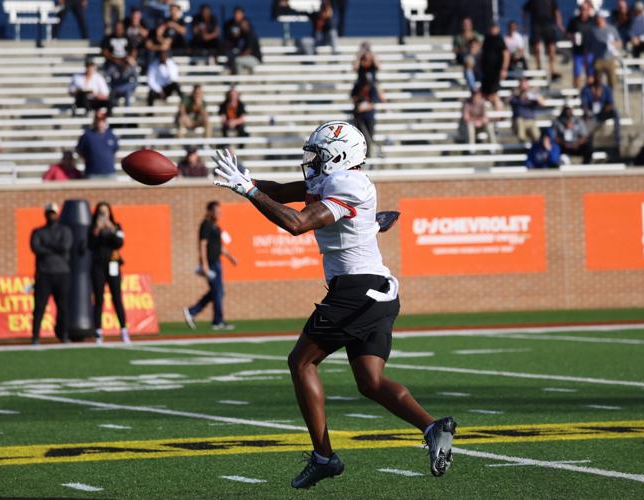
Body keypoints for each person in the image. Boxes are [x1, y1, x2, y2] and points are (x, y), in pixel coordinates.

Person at [211, 122, 457, 489]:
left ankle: (324, 456)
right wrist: (247, 179)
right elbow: (282, 191)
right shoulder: (336, 181)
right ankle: (433, 426)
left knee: (301, 361)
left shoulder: (348, 185)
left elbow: (296, 223)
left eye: (319, 155)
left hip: (356, 293)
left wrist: (247, 191)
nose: (311, 162)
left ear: (341, 156)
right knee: (370, 382)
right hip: (377, 293)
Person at [182, 201, 238, 331]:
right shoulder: (206, 225)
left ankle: (193, 311)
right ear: (210, 211)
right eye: (217, 211)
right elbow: (202, 245)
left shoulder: (215, 227)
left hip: (217, 262)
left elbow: (220, 247)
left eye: (220, 211)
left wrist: (231, 257)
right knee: (217, 291)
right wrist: (204, 264)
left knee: (217, 291)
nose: (219, 214)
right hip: (211, 263)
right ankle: (217, 321)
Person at [30, 203, 72, 345]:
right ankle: (35, 336)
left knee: (63, 307)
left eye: (53, 213)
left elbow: (65, 247)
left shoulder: (65, 230)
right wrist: (55, 247)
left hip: (62, 273)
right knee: (39, 307)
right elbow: (36, 248)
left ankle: (63, 334)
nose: (51, 216)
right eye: (49, 213)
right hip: (44, 274)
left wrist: (47, 245)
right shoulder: (38, 231)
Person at [89, 202, 130, 344]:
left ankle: (124, 330)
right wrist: (98, 229)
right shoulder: (93, 228)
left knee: (117, 298)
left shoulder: (116, 226)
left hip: (113, 264)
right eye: (101, 212)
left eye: (105, 212)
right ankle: (98, 332)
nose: (103, 214)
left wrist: (111, 228)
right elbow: (90, 244)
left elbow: (119, 242)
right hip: (98, 266)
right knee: (99, 299)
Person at [523, 0, 564, 81]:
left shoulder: (551, 1)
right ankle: (539, 67)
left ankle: (553, 70)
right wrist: (524, 24)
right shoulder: (533, 2)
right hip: (536, 26)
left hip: (548, 25)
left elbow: (556, 12)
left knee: (551, 48)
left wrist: (559, 24)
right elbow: (524, 10)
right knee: (537, 47)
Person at [76, 110, 119, 179]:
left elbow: (115, 150)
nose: (100, 123)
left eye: (102, 121)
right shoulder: (87, 135)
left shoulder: (111, 135)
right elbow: (79, 151)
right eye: (98, 121)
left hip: (109, 173)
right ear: (95, 121)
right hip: (92, 174)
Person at [580, 74, 621, 145]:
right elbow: (584, 105)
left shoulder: (606, 89)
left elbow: (611, 103)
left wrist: (607, 107)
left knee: (615, 112)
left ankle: (617, 137)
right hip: (591, 115)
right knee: (586, 128)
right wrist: (587, 112)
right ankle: (588, 145)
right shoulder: (586, 90)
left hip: (603, 113)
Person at [566, 2, 597, 89]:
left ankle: (589, 93)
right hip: (578, 52)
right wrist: (572, 38)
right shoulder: (574, 20)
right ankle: (576, 93)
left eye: (586, 9)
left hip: (590, 51)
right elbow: (567, 33)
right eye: (582, 9)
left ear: (589, 10)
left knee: (590, 74)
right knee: (577, 74)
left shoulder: (593, 20)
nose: (584, 11)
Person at [480, 22, 509, 109]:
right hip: (486, 72)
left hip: (495, 71)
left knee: (494, 94)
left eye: (494, 27)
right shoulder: (487, 39)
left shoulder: (499, 39)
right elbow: (482, 54)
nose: (492, 29)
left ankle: (499, 114)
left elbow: (506, 54)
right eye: (491, 27)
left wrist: (504, 69)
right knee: (485, 94)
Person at [590, 13, 622, 88]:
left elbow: (620, 43)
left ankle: (610, 98)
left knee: (612, 82)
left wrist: (613, 44)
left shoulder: (611, 29)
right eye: (597, 18)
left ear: (604, 19)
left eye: (600, 18)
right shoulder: (593, 30)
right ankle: (599, 98)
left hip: (610, 59)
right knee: (597, 83)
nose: (598, 20)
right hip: (598, 59)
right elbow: (589, 45)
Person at [351, 76, 381, 157]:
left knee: (369, 137)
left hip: (369, 117)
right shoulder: (357, 87)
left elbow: (373, 103)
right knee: (359, 137)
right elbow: (353, 97)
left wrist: (364, 107)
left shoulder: (372, 88)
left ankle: (368, 154)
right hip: (358, 117)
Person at [510, 78, 544, 143]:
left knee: (537, 136)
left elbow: (543, 103)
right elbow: (507, 101)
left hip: (530, 121)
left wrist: (535, 95)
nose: (524, 86)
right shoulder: (515, 96)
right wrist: (517, 93)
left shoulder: (532, 96)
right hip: (519, 122)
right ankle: (522, 142)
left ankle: (536, 145)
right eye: (522, 84)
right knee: (519, 121)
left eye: (525, 84)